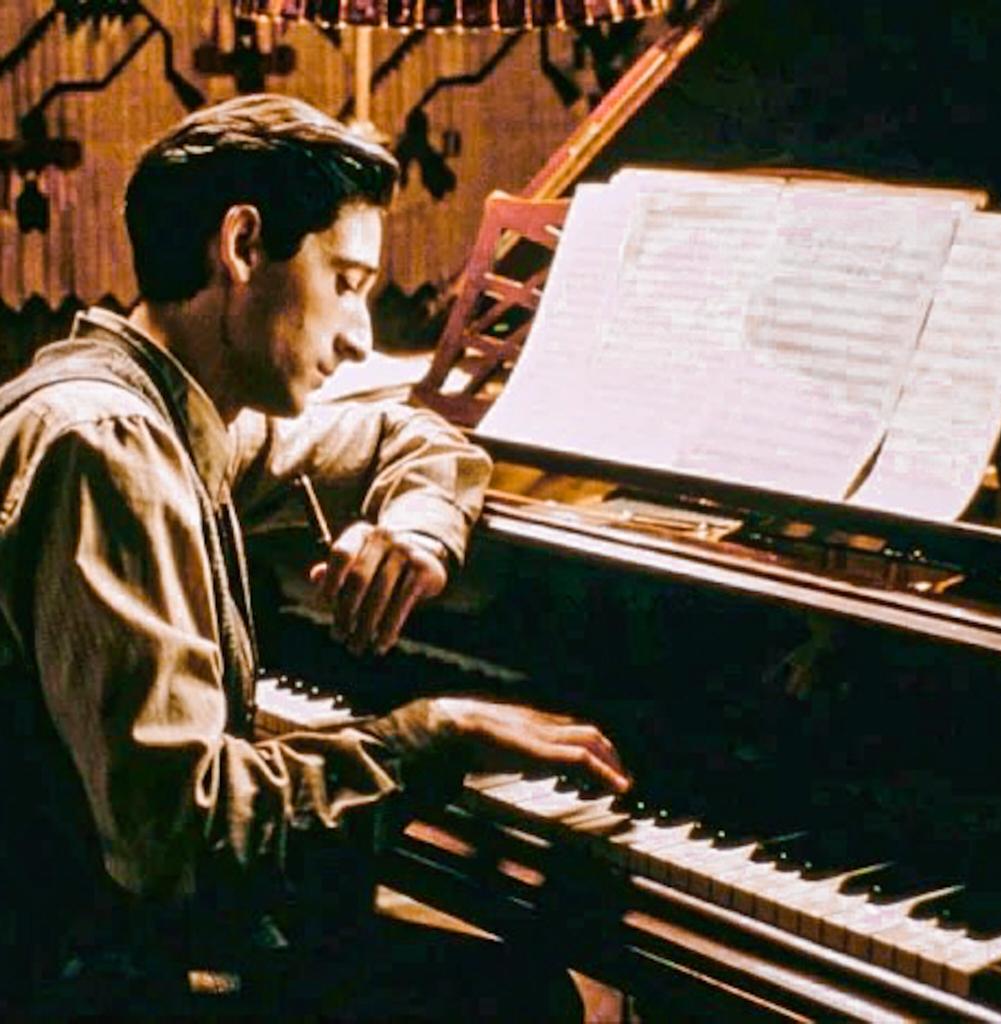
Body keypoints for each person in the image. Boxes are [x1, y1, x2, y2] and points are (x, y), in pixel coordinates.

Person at [0, 93, 629, 1016]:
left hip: (110, 945)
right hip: (85, 981)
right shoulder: (107, 448)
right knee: (529, 997)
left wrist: (416, 530)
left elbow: (410, 439)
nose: (360, 337)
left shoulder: (172, 416)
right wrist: (430, 733)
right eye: (346, 281)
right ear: (243, 246)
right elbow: (183, 841)